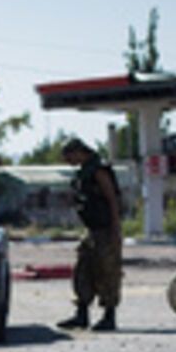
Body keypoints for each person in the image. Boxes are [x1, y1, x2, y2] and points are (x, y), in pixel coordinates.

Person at [58, 138, 123, 331]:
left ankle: (109, 316)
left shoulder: (98, 170)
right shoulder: (85, 172)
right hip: (92, 229)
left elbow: (112, 199)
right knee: (83, 269)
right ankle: (82, 314)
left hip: (105, 229)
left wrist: (116, 228)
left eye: (69, 156)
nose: (68, 161)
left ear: (79, 151)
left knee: (107, 271)